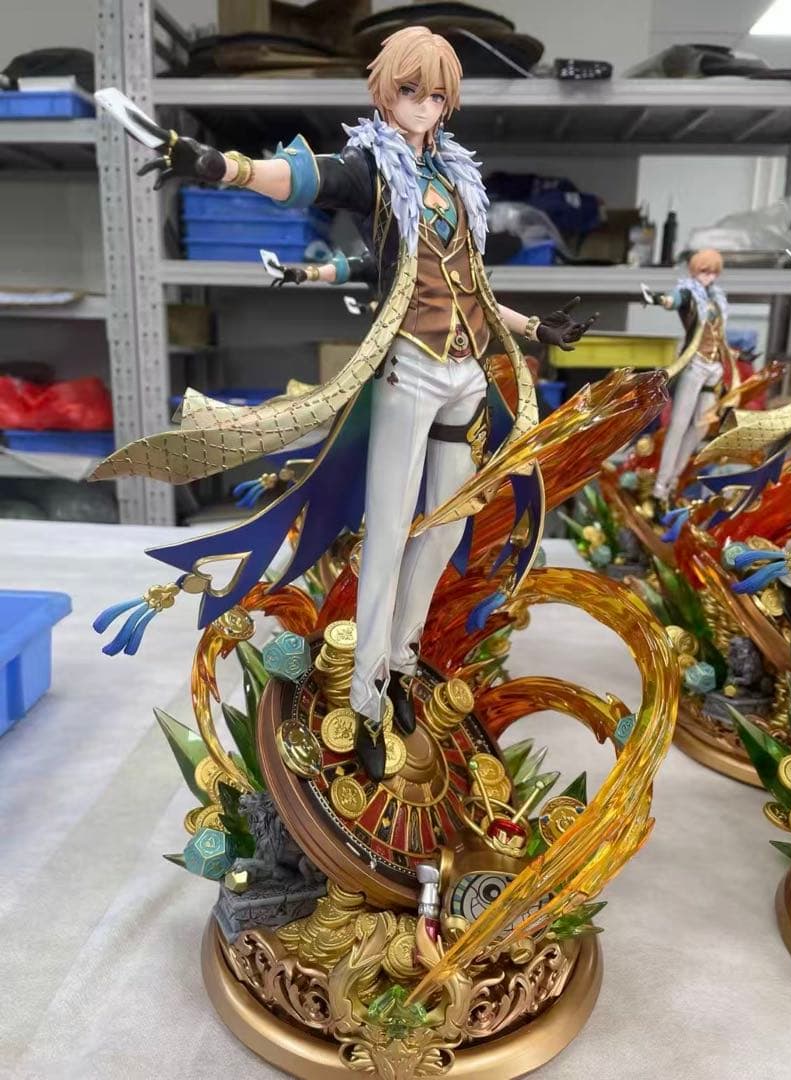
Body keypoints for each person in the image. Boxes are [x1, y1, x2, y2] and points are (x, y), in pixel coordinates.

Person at [92, 26, 595, 780]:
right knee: (387, 535)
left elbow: (473, 285)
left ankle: (402, 661)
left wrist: (532, 329)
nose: (422, 106)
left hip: (466, 372)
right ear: (385, 91)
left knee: (445, 530)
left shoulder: (455, 177)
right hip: (409, 369)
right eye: (409, 91)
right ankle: (364, 697)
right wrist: (221, 166)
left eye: (435, 95)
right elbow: (302, 178)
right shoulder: (373, 167)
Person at [642, 248, 739, 502]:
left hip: (715, 367)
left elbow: (719, 332)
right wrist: (658, 299)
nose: (709, 276)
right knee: (678, 425)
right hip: (695, 364)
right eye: (704, 271)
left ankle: (674, 479)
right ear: (695, 270)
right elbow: (674, 300)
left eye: (713, 272)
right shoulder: (689, 293)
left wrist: (730, 354)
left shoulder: (717, 297)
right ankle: (660, 486)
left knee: (701, 426)